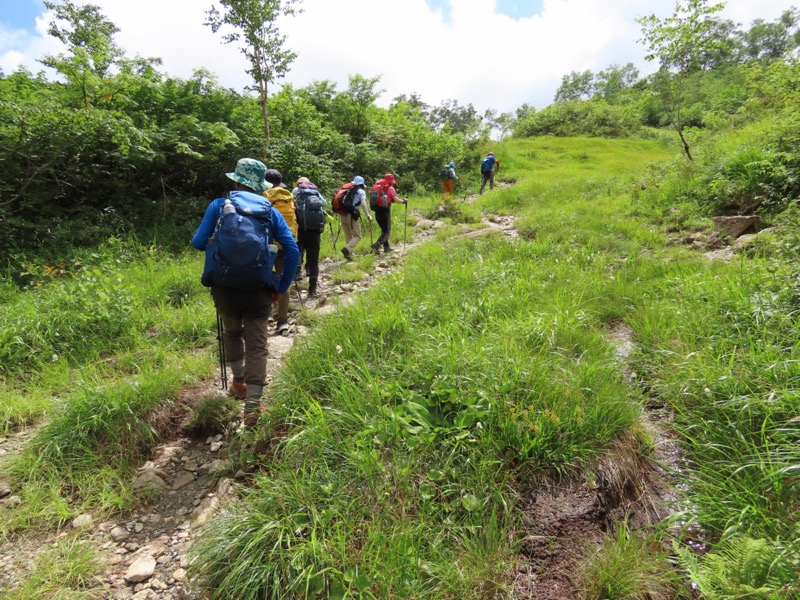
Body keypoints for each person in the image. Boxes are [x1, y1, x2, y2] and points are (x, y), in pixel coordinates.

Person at [191, 158, 299, 425]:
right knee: (258, 344)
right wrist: (281, 286)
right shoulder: (270, 210)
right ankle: (252, 406)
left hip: (224, 286)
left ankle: (238, 382)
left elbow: (197, 243)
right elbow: (293, 250)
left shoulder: (219, 205)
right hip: (258, 287)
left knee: (231, 331)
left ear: (236, 180)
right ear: (259, 185)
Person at [265, 169, 297, 336]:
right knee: (284, 280)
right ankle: (282, 320)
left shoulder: (264, 195)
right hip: (286, 244)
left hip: (267, 245)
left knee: (263, 279)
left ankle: (267, 315)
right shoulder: (289, 196)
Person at [291, 177, 327, 297]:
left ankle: (297, 273)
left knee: (298, 251)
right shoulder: (316, 193)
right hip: (315, 230)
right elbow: (324, 204)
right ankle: (312, 289)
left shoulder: (296, 191)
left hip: (300, 229)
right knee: (314, 260)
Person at [370, 173, 407, 254]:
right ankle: (377, 244)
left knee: (384, 230)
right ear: (391, 181)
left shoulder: (378, 188)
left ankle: (386, 247)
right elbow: (396, 200)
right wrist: (404, 201)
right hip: (385, 211)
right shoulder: (390, 188)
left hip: (377, 211)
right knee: (387, 231)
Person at [339, 175, 372, 260]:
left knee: (348, 236)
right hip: (351, 216)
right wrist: (367, 214)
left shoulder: (347, 190)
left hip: (343, 215)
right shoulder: (361, 191)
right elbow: (363, 203)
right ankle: (347, 249)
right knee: (358, 236)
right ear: (362, 184)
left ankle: (349, 255)